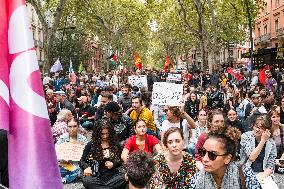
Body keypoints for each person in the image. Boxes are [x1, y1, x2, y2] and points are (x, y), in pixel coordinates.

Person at [190, 125, 261, 189]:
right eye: (202, 152)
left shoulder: (245, 174)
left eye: (212, 155)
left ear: (227, 158)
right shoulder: (197, 179)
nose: (205, 159)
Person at [80, 118, 126, 189]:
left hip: (113, 176)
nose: (105, 136)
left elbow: (122, 160)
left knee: (124, 177)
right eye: (102, 134)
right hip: (96, 176)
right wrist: (86, 167)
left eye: (107, 133)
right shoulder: (91, 144)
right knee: (87, 180)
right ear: (98, 133)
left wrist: (114, 164)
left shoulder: (115, 144)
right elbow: (82, 160)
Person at [240, 116, 277, 187]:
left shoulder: (271, 142)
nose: (257, 129)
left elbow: (270, 166)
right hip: (246, 171)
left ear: (267, 130)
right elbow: (251, 157)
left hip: (263, 172)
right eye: (256, 126)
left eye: (261, 128)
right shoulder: (246, 136)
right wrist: (263, 141)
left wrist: (260, 178)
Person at [56, 119, 88, 183]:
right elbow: (56, 151)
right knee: (53, 170)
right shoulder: (63, 138)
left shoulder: (83, 139)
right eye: (70, 127)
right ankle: (67, 177)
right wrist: (62, 158)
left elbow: (86, 155)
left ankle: (65, 179)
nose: (72, 129)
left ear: (78, 127)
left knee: (79, 171)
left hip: (77, 166)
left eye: (75, 126)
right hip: (65, 164)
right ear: (67, 127)